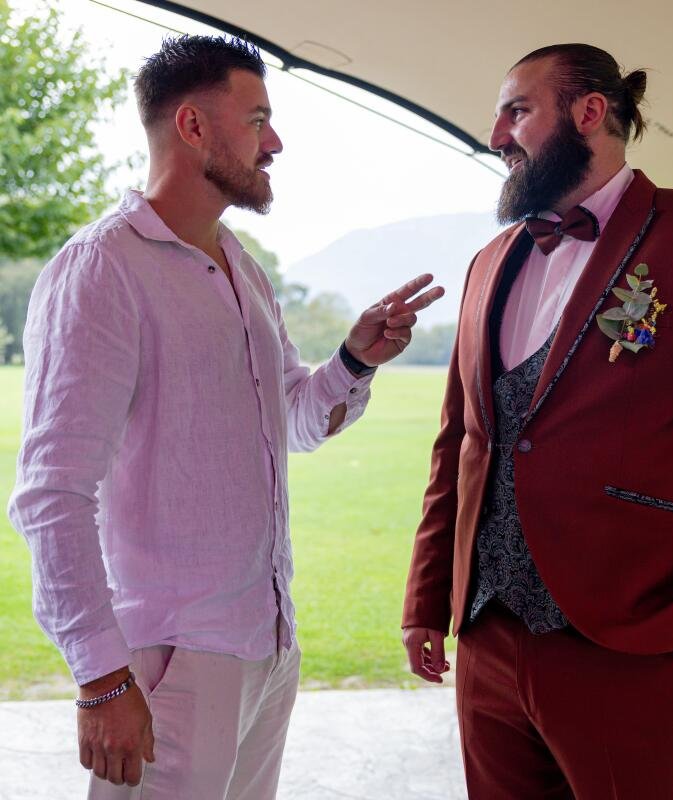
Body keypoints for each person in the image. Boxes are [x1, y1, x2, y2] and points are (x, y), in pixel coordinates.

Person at [8, 35, 442, 799]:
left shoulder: (242, 267)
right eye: (258, 120)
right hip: (171, 660)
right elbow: (53, 494)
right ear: (192, 126)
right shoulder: (103, 268)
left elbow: (294, 420)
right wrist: (102, 677)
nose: (275, 144)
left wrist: (354, 360)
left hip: (265, 649)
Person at [402, 43, 673, 799]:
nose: (497, 135)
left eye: (517, 111)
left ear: (589, 112)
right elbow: (461, 442)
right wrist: (427, 598)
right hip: (487, 641)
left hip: (641, 647)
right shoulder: (489, 261)